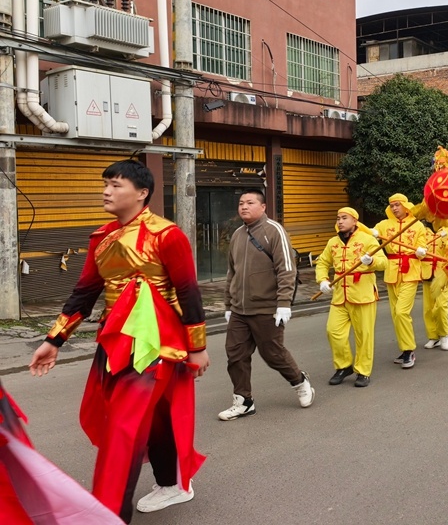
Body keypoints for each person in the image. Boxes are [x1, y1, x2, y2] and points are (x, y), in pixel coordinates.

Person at [29, 160, 210, 522]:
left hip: (158, 344)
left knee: (124, 428)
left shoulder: (166, 234)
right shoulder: (102, 237)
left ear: (142, 193)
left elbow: (189, 292)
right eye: (105, 184)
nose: (106, 191)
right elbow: (84, 294)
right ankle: (172, 482)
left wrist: (198, 347)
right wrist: (54, 340)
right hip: (116, 341)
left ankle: (107, 514)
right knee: (154, 419)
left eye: (116, 184)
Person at [219, 188, 314, 421]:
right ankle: (244, 401)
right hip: (240, 310)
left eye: (250, 202)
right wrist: (228, 305)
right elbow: (232, 272)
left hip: (267, 307)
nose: (243, 206)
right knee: (236, 354)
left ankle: (299, 382)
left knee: (273, 353)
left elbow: (287, 269)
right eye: (241, 203)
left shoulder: (274, 231)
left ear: (262, 207)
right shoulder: (237, 235)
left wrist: (283, 303)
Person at [316, 208, 387, 387]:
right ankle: (344, 366)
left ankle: (363, 371)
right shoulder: (333, 242)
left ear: (355, 220)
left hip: (363, 294)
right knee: (333, 331)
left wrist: (371, 261)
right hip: (340, 294)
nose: (340, 221)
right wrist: (322, 280)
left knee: (364, 334)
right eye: (338, 218)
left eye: (344, 218)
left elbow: (383, 262)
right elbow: (323, 262)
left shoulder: (368, 240)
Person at [373, 193, 427, 368]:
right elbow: (367, 235)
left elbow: (423, 246)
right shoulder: (384, 225)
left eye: (397, 205)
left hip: (410, 271)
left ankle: (409, 350)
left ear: (405, 205)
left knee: (402, 312)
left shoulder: (417, 225)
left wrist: (421, 251)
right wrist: (371, 234)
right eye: (392, 205)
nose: (394, 208)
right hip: (392, 271)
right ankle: (405, 350)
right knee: (395, 314)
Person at [421, 222, 448, 349]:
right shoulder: (422, 230)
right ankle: (433, 337)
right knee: (428, 308)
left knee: (441, 306)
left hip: (442, 274)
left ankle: (444, 335)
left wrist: (447, 240)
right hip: (427, 273)